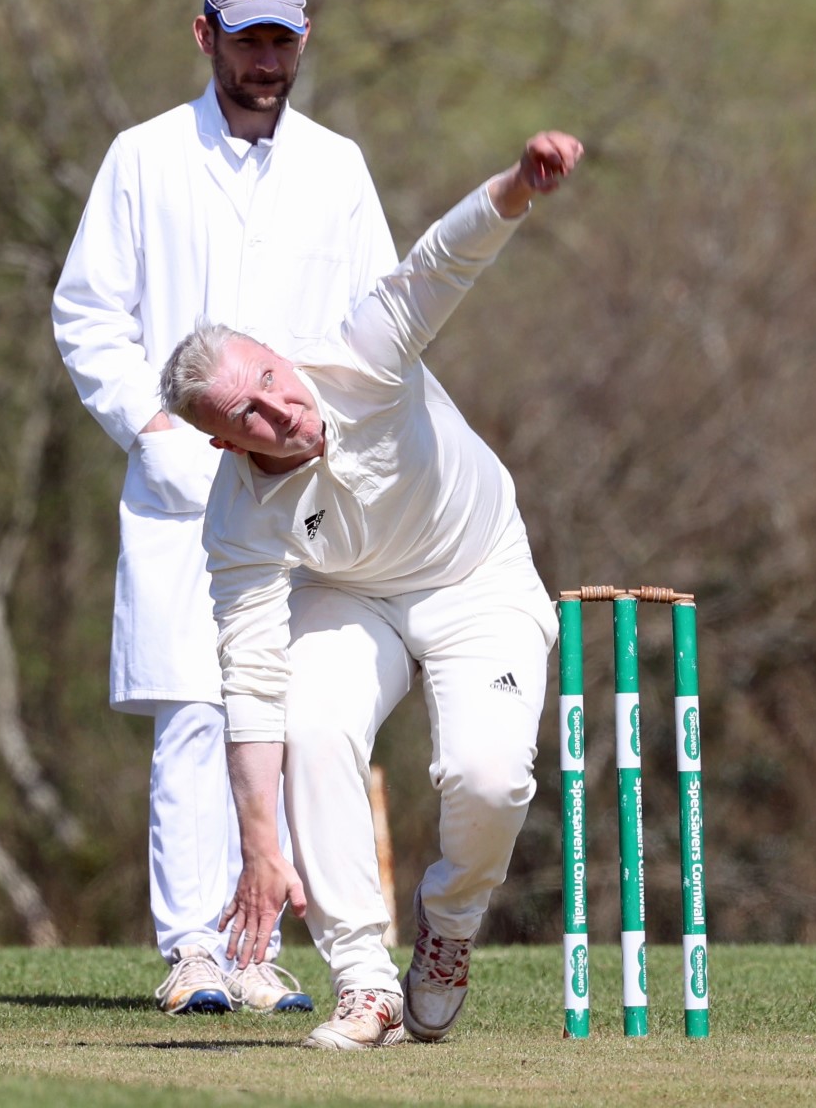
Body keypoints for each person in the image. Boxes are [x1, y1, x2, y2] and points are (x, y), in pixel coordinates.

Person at [157, 129, 585, 1048]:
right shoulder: (238, 520)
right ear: (227, 445)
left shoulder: (360, 357)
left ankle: (450, 928)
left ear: (278, 353)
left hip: (478, 575)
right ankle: (365, 982)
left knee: (490, 776)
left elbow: (439, 264)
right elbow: (252, 686)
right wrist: (262, 846)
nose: (283, 410)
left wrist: (516, 184)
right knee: (312, 723)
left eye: (271, 380)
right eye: (251, 415)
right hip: (351, 596)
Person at [52, 0, 401, 1015]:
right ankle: (196, 946)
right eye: (245, 40)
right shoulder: (145, 157)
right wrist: (151, 423)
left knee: (292, 710)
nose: (263, 60)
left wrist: (339, 438)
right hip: (183, 481)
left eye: (279, 41)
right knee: (194, 712)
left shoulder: (336, 167)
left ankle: (265, 949)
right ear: (204, 37)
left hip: (302, 486)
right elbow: (87, 312)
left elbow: (378, 321)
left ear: (303, 41)